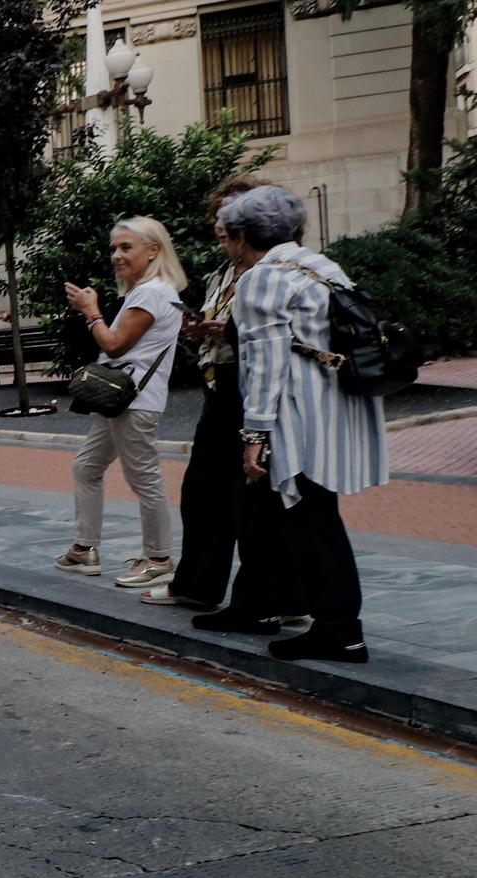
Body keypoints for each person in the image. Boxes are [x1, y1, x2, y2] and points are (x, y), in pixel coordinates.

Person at [218, 185, 385, 663]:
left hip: (297, 415)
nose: (226, 244)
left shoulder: (261, 278)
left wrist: (254, 435)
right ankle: (257, 604)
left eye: (228, 235)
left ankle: (340, 631)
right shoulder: (319, 265)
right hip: (332, 407)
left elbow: (265, 363)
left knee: (314, 519)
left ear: (244, 234)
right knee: (256, 504)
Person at [142, 177, 271, 612]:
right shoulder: (223, 273)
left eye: (229, 217)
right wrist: (200, 330)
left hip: (251, 389)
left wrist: (229, 332)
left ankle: (274, 595)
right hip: (219, 389)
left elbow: (274, 335)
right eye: (217, 216)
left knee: (253, 497)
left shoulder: (269, 270)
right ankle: (198, 584)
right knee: (203, 493)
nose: (220, 226)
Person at [57, 217, 186, 589]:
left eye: (126, 247)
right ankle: (84, 550)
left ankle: (159, 558)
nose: (116, 255)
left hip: (135, 402)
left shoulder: (151, 293)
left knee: (144, 478)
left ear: (153, 250)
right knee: (86, 466)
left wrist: (90, 310)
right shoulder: (150, 291)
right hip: (121, 402)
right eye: (114, 248)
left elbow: (114, 344)